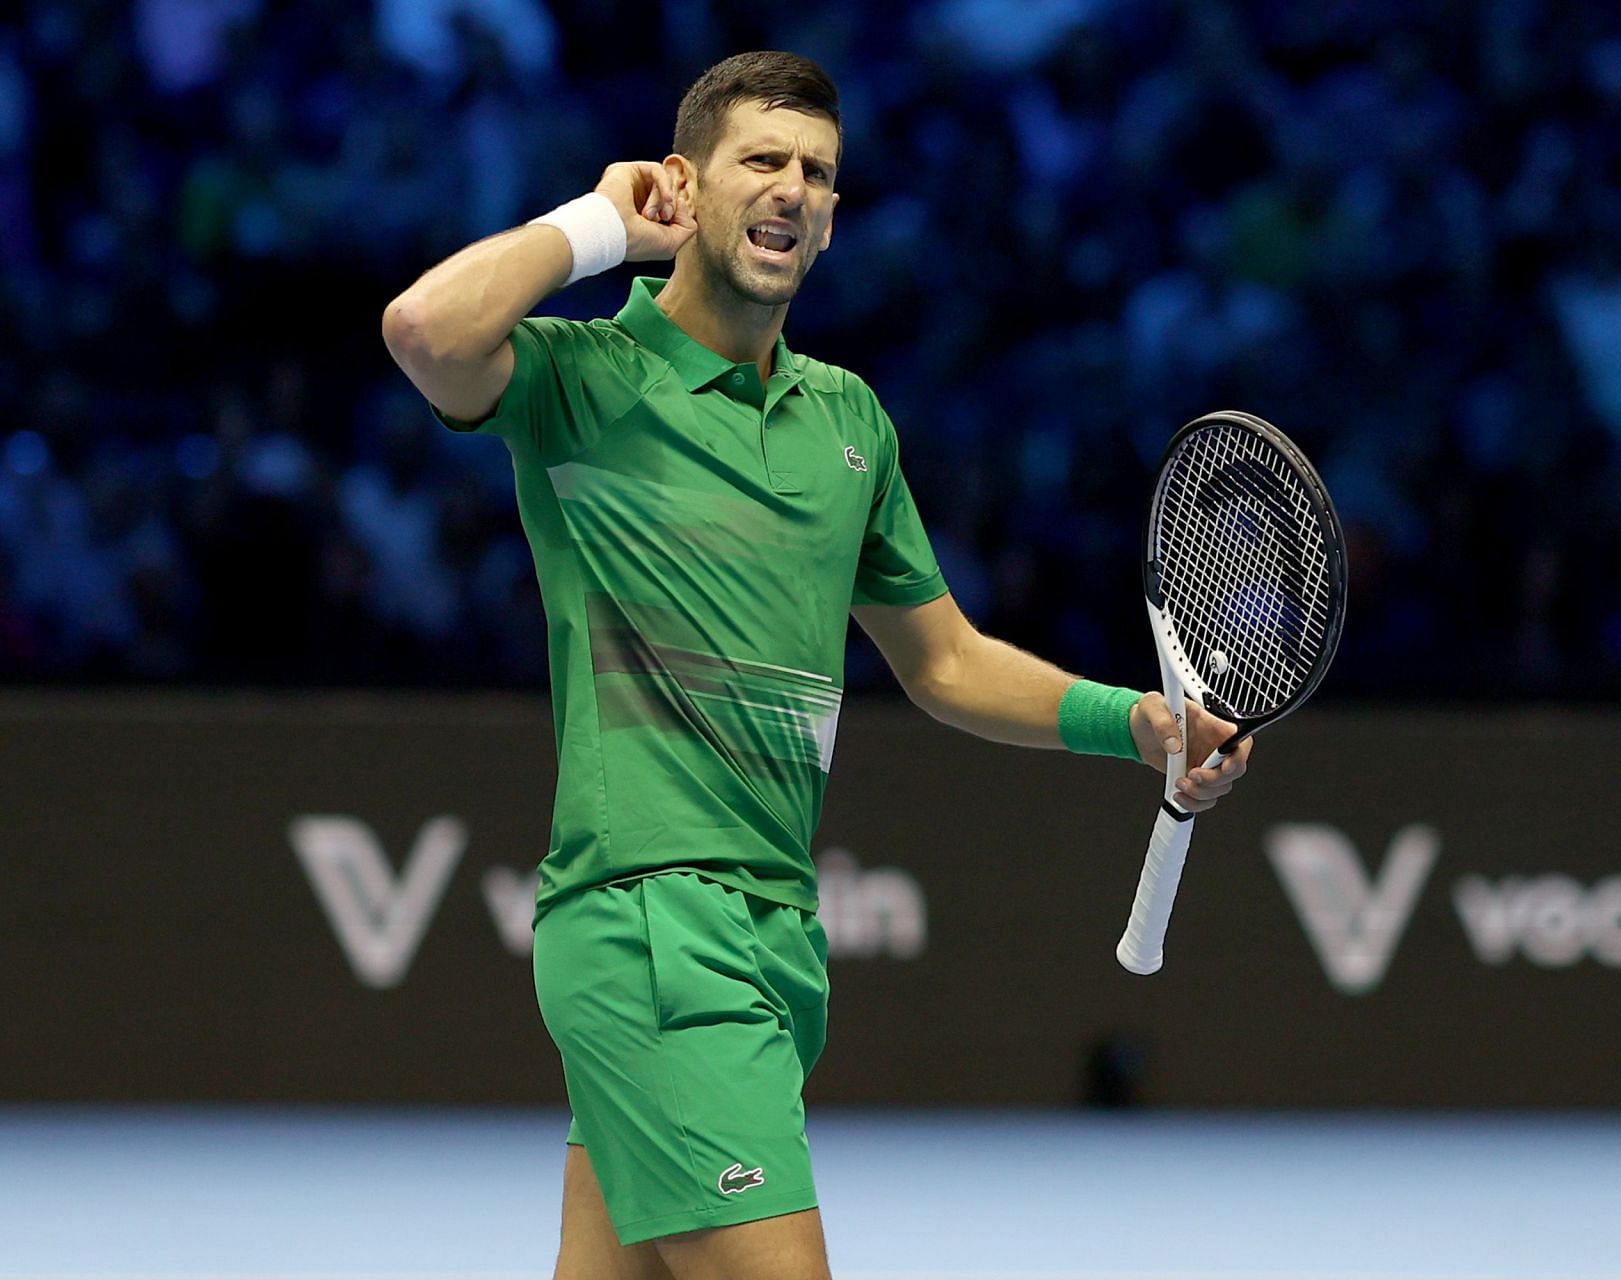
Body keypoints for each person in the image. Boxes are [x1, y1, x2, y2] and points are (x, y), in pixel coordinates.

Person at [382, 51, 1251, 1280]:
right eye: (762, 161)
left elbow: (944, 660)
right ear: (684, 184)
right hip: (653, 926)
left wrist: (1145, 725)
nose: (792, 189)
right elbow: (424, 329)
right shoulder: (582, 381)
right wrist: (593, 224)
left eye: (818, 172)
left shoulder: (851, 422)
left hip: (776, 932)